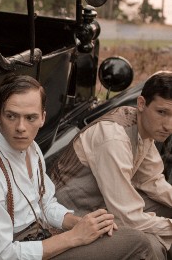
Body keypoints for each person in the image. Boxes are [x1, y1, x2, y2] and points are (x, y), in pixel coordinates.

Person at [0, 74, 154, 260]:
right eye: (11, 116)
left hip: (43, 235)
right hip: (24, 252)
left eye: (30, 118)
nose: (21, 127)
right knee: (139, 243)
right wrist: (74, 237)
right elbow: (4, 255)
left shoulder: (30, 147)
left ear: (42, 117)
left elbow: (45, 205)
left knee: (118, 231)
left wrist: (79, 223)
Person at [50, 71, 172, 259]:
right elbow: (128, 217)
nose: (168, 126)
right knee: (150, 245)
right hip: (74, 217)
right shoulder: (113, 138)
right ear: (141, 104)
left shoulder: (144, 128)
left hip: (104, 207)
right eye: (162, 112)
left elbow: (153, 181)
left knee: (166, 208)